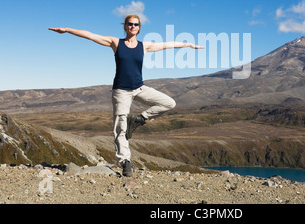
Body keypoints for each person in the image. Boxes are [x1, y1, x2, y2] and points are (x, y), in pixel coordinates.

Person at [49, 15, 203, 176]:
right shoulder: (116, 43)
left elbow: (167, 45)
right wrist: (67, 30)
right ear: (125, 26)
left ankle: (139, 119)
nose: (133, 26)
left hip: (139, 88)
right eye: (130, 24)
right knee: (120, 128)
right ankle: (125, 162)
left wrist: (188, 44)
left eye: (136, 24)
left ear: (139, 27)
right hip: (121, 91)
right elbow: (90, 35)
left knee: (169, 103)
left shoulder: (144, 46)